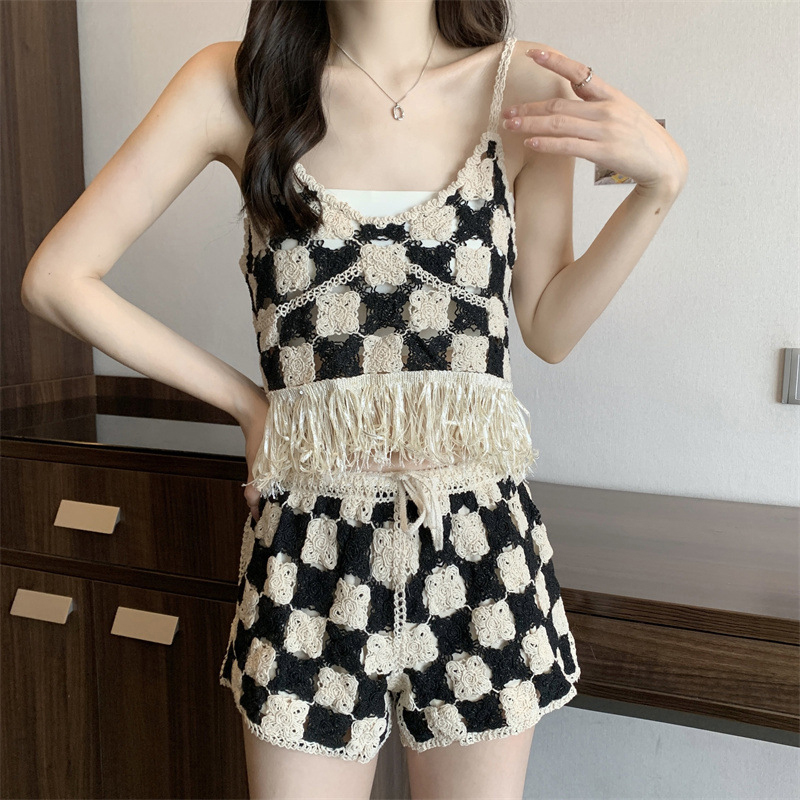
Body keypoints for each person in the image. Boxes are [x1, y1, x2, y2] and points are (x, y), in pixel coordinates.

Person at [20, 1, 687, 798]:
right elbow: (57, 278)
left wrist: (659, 187)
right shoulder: (236, 84)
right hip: (309, 550)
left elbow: (548, 325)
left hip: (477, 546)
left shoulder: (525, 86)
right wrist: (249, 405)